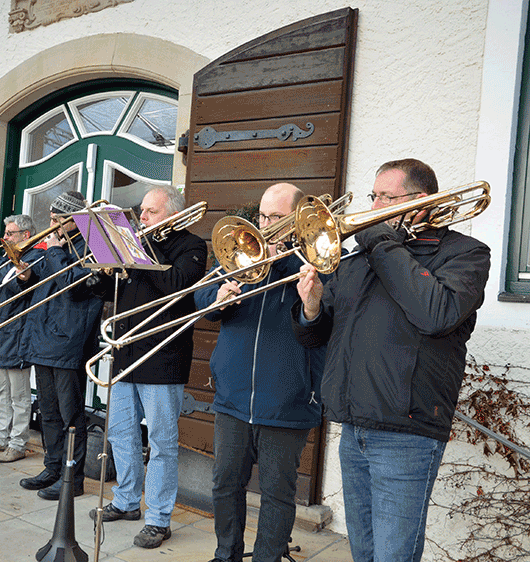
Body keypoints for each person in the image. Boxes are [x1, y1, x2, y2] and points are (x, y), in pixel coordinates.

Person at [293, 159, 491, 562]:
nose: (374, 205)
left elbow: (436, 314)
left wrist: (382, 243)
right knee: (363, 550)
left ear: (421, 202)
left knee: (393, 554)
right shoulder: (357, 259)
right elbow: (316, 336)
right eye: (374, 196)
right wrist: (311, 306)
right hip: (354, 426)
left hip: (407, 430)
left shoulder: (466, 254)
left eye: (386, 197)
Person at [194, 183, 326, 562]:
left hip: (287, 401)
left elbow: (322, 326)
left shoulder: (318, 262)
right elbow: (200, 297)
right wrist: (218, 298)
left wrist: (309, 298)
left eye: (276, 218)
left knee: (277, 493)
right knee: (224, 486)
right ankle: (226, 555)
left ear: (298, 221)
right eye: (263, 217)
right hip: (233, 397)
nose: (265, 225)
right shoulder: (240, 255)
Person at [90, 184, 207, 549]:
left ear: (172, 212)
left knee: (161, 442)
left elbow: (175, 285)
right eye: (141, 211)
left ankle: (159, 518)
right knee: (120, 433)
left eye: (150, 212)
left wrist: (137, 248)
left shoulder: (192, 246)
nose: (141, 218)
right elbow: (106, 293)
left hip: (163, 357)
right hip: (125, 353)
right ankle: (126, 501)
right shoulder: (135, 245)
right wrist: (105, 266)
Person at [17, 191, 103, 500]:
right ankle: (52, 467)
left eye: (56, 220)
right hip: (44, 338)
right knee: (49, 412)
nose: (50, 225)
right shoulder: (59, 246)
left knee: (70, 417)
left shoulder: (95, 246)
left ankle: (72, 477)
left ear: (73, 220)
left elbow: (76, 286)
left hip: (69, 342)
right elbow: (44, 281)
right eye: (51, 219)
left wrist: (54, 252)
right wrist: (26, 276)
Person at [0, 214, 43, 463]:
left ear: (25, 235)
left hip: (17, 334)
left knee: (20, 397)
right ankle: (1, 437)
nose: (5, 238)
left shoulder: (33, 258)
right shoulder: (5, 259)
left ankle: (18, 443)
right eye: (5, 234)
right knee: (1, 393)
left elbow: (20, 289)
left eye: (10, 234)